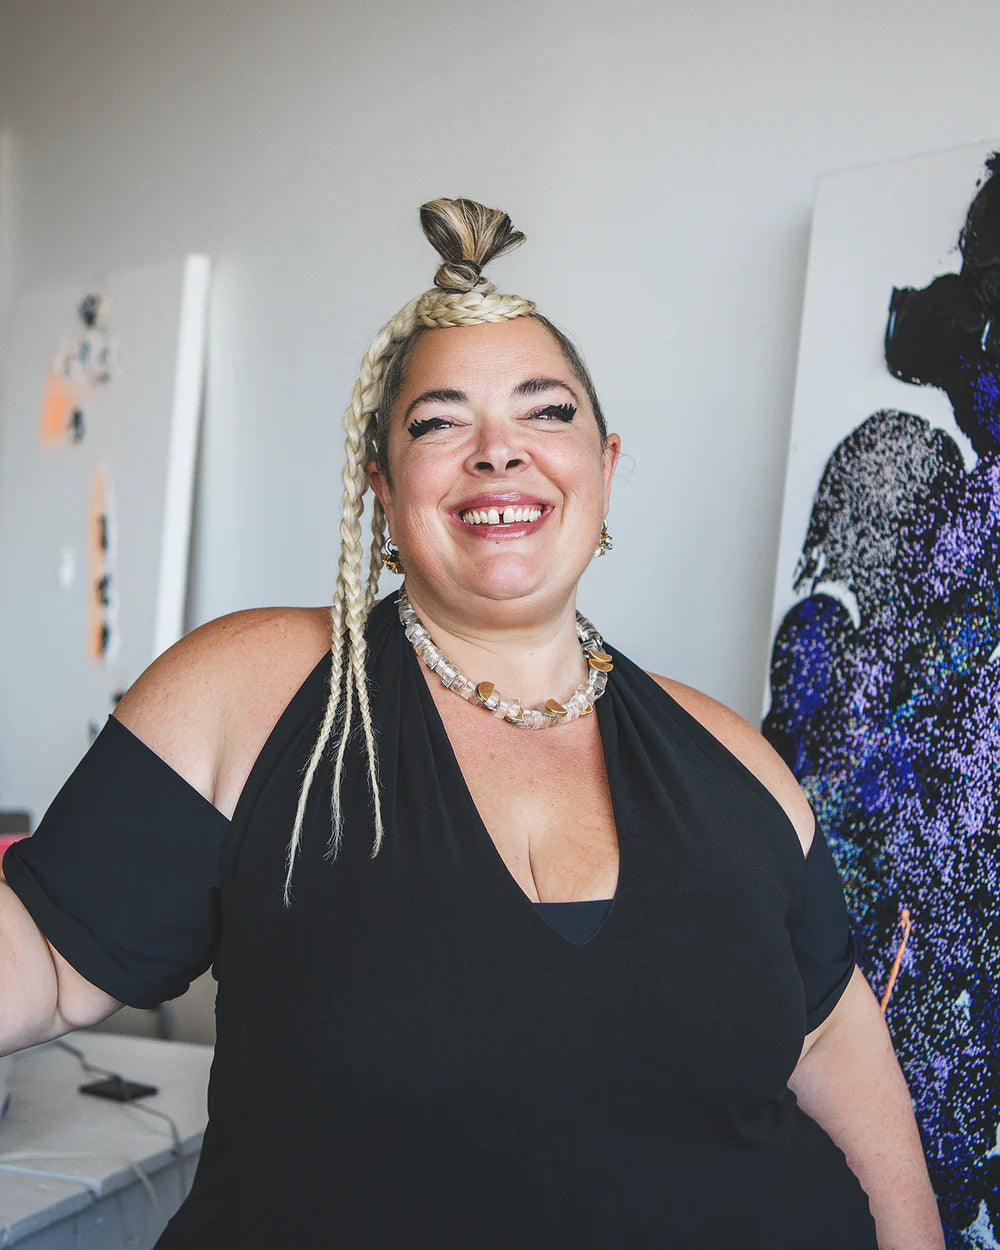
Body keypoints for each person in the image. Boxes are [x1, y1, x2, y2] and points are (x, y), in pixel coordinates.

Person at [1, 198, 943, 1248]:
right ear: (383, 487)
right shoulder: (253, 688)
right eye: (439, 422)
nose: (499, 452)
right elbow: (45, 953)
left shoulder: (735, 758)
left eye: (546, 413)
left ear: (605, 467)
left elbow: (835, 1043)